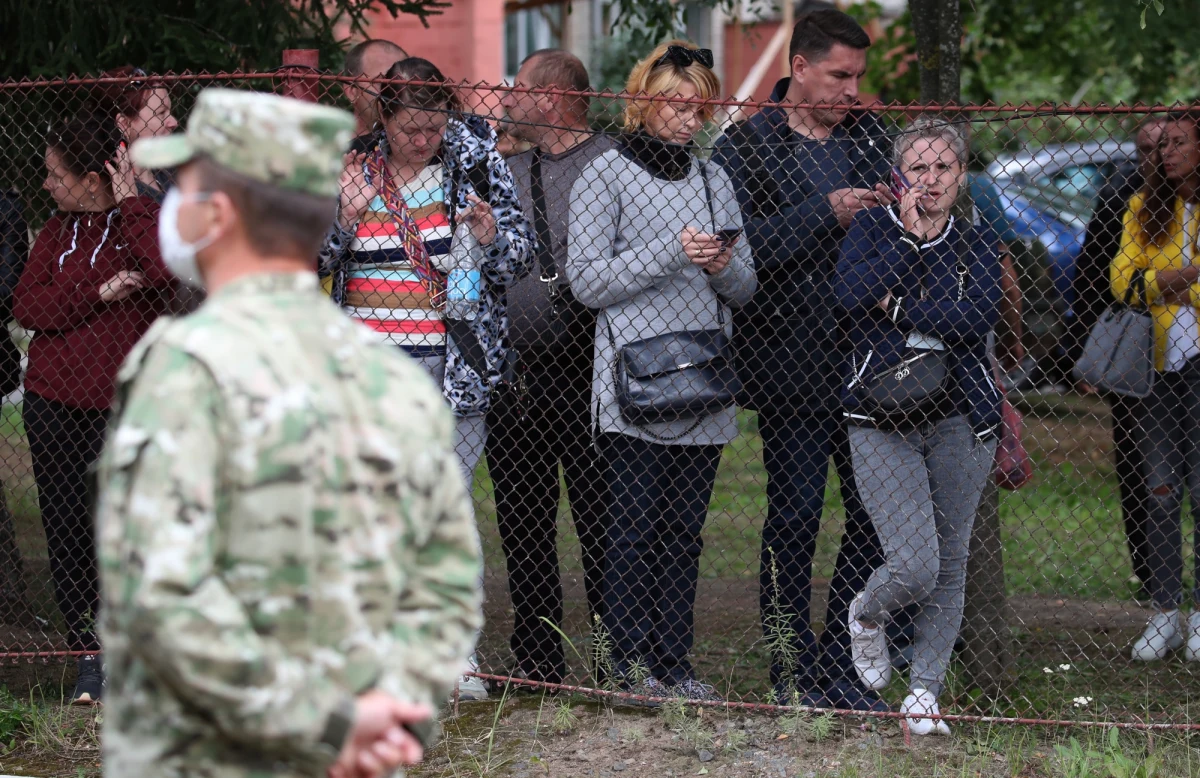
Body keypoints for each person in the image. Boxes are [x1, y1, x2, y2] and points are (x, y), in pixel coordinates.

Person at [96, 88, 481, 778]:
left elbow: (161, 593)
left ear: (218, 215)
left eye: (187, 185)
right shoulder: (390, 375)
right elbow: (448, 581)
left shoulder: (185, 372)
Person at [321, 56, 533, 701]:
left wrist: (493, 234)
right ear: (384, 117)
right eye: (412, 127)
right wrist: (344, 217)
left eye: (434, 125)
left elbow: (520, 256)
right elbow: (305, 260)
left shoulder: (474, 158)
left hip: (451, 362)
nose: (425, 139)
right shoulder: (351, 163)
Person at [711, 8, 894, 711]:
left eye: (859, 77)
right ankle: (790, 669)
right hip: (787, 364)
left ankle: (843, 665)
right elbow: (736, 249)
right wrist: (828, 213)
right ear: (801, 68)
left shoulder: (869, 136)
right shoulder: (747, 146)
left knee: (874, 519)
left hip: (869, 363)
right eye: (840, 76)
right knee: (792, 519)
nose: (853, 90)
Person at [568, 40, 756, 702]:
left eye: (698, 107)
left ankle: (675, 665)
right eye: (674, 104)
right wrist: (669, 252)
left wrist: (718, 264)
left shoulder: (714, 180)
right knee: (631, 529)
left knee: (683, 533)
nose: (686, 118)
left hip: (702, 380)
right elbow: (587, 281)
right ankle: (624, 668)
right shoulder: (605, 175)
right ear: (644, 101)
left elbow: (745, 285)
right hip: (633, 386)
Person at [836, 116, 1002, 735]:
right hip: (881, 415)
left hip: (962, 415)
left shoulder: (979, 241)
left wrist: (901, 307)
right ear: (899, 173)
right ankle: (868, 615)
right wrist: (907, 244)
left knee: (952, 562)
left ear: (962, 175)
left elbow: (974, 317)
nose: (930, 181)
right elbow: (851, 296)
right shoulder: (874, 227)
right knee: (915, 564)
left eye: (944, 168)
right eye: (919, 169)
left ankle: (924, 694)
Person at [13, 113, 173, 705]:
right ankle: (90, 659)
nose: (48, 184)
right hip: (53, 404)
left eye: (57, 174)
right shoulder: (58, 232)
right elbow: (28, 306)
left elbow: (159, 272)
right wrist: (95, 294)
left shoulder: (144, 221)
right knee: (68, 532)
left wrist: (130, 201)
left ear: (93, 177)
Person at [487, 49, 613, 688]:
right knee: (523, 520)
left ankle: (615, 656)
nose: (506, 98)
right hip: (516, 376)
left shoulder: (614, 166)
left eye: (520, 89)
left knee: (603, 519)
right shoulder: (503, 170)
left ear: (556, 98)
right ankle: (538, 660)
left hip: (591, 373)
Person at [1113, 112, 1200, 662]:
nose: (1166, 153)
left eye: (1179, 143)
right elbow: (1123, 281)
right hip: (1160, 368)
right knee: (1160, 490)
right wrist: (1182, 278)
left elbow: (1145, 279)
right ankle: (1166, 611)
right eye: (1161, 144)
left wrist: (1162, 282)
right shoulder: (1146, 208)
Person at [1075, 117, 1166, 597]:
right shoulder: (1120, 197)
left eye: (1166, 146)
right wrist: (1084, 357)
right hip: (1134, 346)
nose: (1157, 158)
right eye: (1146, 149)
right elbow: (1092, 275)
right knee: (1137, 462)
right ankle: (1151, 575)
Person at [90, 66, 180, 199]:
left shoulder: (171, 173)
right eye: (161, 113)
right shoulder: (112, 191)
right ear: (124, 123)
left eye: (169, 112)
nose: (174, 122)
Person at [342, 39, 409, 142]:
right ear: (351, 91)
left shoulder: (424, 144)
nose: (395, 92)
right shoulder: (330, 146)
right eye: (381, 83)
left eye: (401, 83)